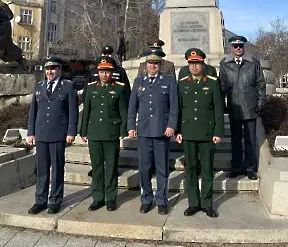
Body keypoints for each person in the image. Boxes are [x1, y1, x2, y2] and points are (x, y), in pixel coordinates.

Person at [128, 48, 178, 215]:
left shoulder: (169, 81)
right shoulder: (138, 82)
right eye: (150, 63)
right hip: (143, 131)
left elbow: (174, 106)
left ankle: (162, 200)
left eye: (156, 63)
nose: (153, 66)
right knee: (144, 168)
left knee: (162, 168)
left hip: (162, 131)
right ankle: (146, 199)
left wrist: (171, 125)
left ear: (160, 65)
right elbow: (132, 106)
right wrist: (130, 126)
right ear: (146, 65)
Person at [176, 49, 224, 218]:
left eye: (197, 63)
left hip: (207, 133)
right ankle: (193, 203)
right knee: (190, 170)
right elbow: (179, 109)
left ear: (203, 64)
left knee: (207, 170)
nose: (194, 66)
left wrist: (218, 131)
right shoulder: (182, 83)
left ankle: (207, 204)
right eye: (191, 63)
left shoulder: (212, 82)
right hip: (188, 133)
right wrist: (178, 130)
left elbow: (218, 109)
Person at [27, 58, 78, 214]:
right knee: (42, 169)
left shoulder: (68, 87)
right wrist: (31, 132)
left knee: (57, 168)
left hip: (58, 133)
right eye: (47, 69)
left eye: (53, 69)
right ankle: (40, 201)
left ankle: (55, 200)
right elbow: (33, 111)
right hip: (41, 133)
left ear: (59, 70)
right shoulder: (39, 86)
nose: (50, 72)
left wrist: (71, 131)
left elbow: (73, 111)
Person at [80, 56, 128, 212]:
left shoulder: (119, 88)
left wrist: (122, 131)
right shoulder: (92, 88)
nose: (104, 75)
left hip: (111, 133)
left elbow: (123, 112)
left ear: (112, 73)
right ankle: (97, 198)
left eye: (107, 72)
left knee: (111, 167)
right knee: (97, 167)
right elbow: (86, 111)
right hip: (94, 133)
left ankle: (111, 198)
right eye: (102, 72)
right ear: (98, 73)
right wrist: (83, 131)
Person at [219, 36, 266, 181]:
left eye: (240, 46)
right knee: (236, 139)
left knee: (250, 140)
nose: (238, 48)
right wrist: (223, 104)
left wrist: (260, 103)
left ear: (244, 47)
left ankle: (250, 168)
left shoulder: (253, 63)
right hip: (234, 107)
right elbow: (222, 86)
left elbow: (261, 84)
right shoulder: (225, 64)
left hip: (250, 106)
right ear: (231, 48)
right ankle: (236, 167)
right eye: (235, 46)